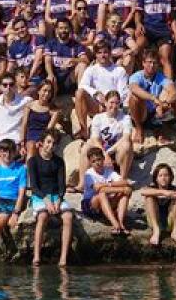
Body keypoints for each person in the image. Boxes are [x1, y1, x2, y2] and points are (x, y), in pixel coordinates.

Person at [27, 129, 74, 266]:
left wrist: (58, 201)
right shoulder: (33, 161)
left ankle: (63, 257)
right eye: (48, 142)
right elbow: (34, 186)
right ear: (41, 143)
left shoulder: (59, 162)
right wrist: (47, 202)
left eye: (54, 143)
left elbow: (61, 186)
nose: (50, 146)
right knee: (42, 216)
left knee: (68, 216)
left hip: (56, 196)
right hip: (40, 196)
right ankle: (37, 256)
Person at [75, 39, 129, 141]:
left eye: (105, 52)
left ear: (110, 53)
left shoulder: (119, 70)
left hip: (113, 106)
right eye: (99, 53)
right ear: (95, 54)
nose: (103, 55)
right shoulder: (91, 69)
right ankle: (84, 129)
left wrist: (110, 103)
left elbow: (123, 93)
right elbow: (82, 85)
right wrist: (96, 93)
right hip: (96, 105)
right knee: (79, 93)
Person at [127, 50, 176, 145]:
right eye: (149, 62)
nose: (152, 65)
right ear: (143, 63)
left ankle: (161, 129)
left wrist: (164, 104)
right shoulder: (137, 76)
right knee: (134, 98)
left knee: (170, 96)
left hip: (154, 111)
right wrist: (153, 98)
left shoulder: (160, 77)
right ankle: (139, 129)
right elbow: (134, 88)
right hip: (141, 112)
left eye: (154, 63)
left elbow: (174, 92)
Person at [81, 146, 133, 235]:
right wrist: (122, 189)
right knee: (102, 194)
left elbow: (125, 182)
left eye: (99, 159)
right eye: (93, 161)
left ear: (103, 159)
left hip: (106, 203)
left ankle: (121, 223)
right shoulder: (89, 174)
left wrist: (109, 184)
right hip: (91, 205)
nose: (97, 163)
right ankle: (115, 224)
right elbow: (98, 188)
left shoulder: (109, 171)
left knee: (125, 194)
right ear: (90, 163)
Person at [86, 85, 135, 179]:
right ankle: (83, 182)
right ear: (105, 103)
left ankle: (123, 179)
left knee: (126, 144)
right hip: (102, 153)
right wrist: (104, 153)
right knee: (87, 146)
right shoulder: (98, 118)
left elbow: (126, 137)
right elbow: (95, 139)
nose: (114, 106)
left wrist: (108, 152)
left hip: (118, 153)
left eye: (117, 103)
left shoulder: (125, 118)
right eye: (111, 102)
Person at [136, 0, 176, 77]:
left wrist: (175, 31)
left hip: (163, 31)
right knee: (137, 48)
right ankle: (142, 78)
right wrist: (138, 24)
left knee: (165, 59)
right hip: (148, 30)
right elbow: (138, 13)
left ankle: (169, 87)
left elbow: (172, 17)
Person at [141, 163, 176, 248]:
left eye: (166, 175)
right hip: (156, 221)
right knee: (149, 197)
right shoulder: (152, 187)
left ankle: (175, 233)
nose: (163, 178)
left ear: (170, 177)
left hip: (170, 222)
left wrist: (171, 194)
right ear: (156, 178)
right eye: (160, 175)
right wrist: (163, 192)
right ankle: (156, 230)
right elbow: (143, 192)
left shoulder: (173, 189)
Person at [0, 70, 32, 149]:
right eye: (5, 85)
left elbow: (42, 106)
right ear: (0, 87)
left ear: (15, 86)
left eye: (11, 84)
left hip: (15, 141)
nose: (8, 87)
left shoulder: (26, 101)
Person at [22, 81, 62, 158]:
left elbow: (48, 130)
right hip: (30, 137)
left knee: (35, 148)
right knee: (31, 146)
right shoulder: (29, 106)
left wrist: (41, 141)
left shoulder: (53, 111)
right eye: (44, 90)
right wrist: (22, 143)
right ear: (38, 91)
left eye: (49, 92)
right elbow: (24, 125)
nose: (47, 94)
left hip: (42, 139)